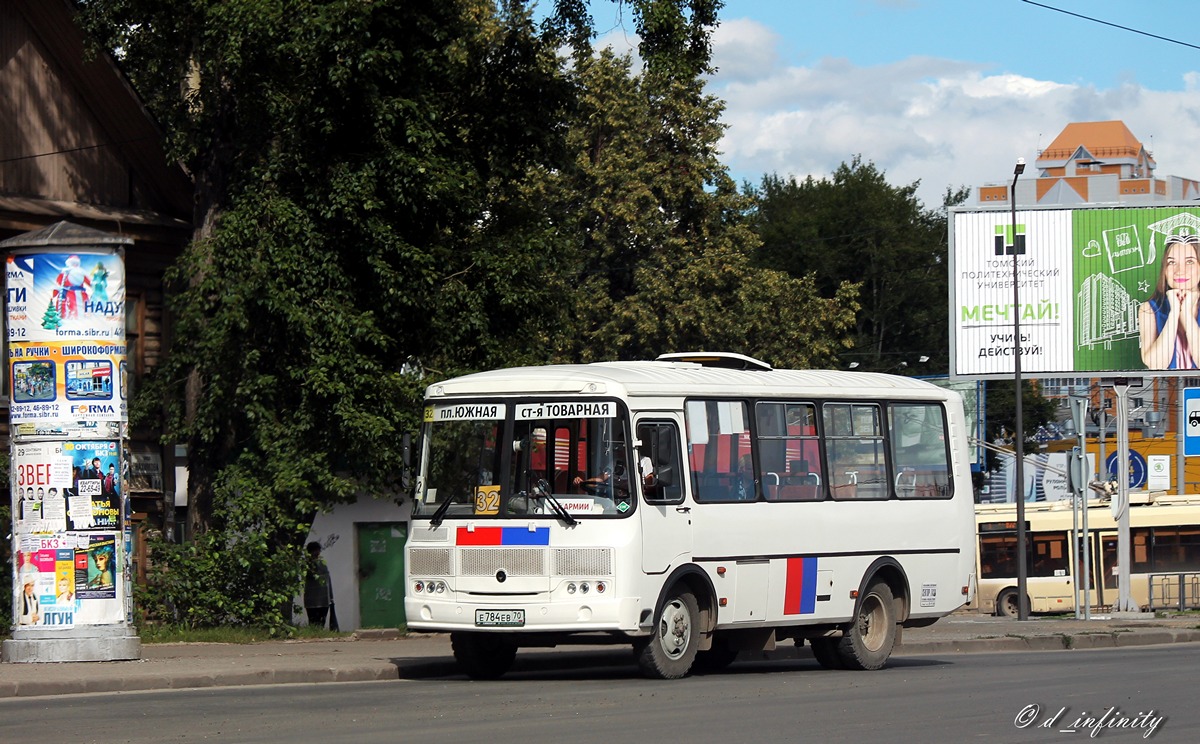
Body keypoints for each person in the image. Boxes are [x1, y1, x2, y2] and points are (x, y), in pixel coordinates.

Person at [1140, 233, 1200, 369]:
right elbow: (1156, 365)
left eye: (1189, 261)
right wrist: (1174, 313)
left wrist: (1186, 315)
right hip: (1168, 388)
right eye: (1171, 262)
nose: (1180, 271)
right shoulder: (1149, 309)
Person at [304, 542, 334, 629]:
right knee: (313, 621)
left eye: (318, 550)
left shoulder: (323, 564)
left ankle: (319, 634)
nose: (317, 553)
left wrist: (331, 597)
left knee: (321, 622)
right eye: (315, 551)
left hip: (324, 600)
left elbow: (328, 580)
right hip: (311, 601)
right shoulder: (307, 565)